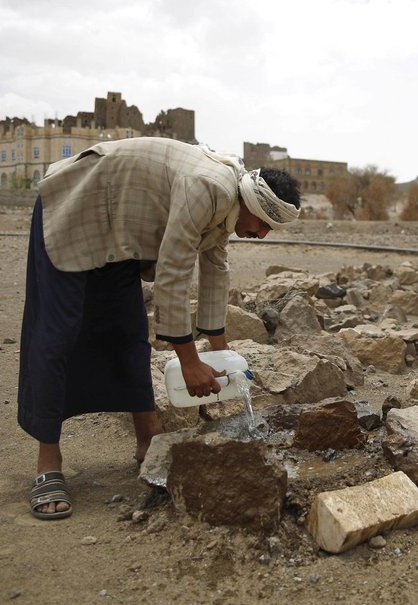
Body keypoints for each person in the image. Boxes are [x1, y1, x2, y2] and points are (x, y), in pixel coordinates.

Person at [19, 137, 301, 520]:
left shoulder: (231, 202)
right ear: (251, 204)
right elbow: (172, 271)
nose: (262, 235)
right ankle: (48, 462)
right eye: (263, 226)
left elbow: (216, 270)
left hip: (123, 228)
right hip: (79, 206)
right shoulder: (211, 188)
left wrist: (221, 355)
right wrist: (188, 361)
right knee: (59, 332)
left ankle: (147, 442)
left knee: (129, 333)